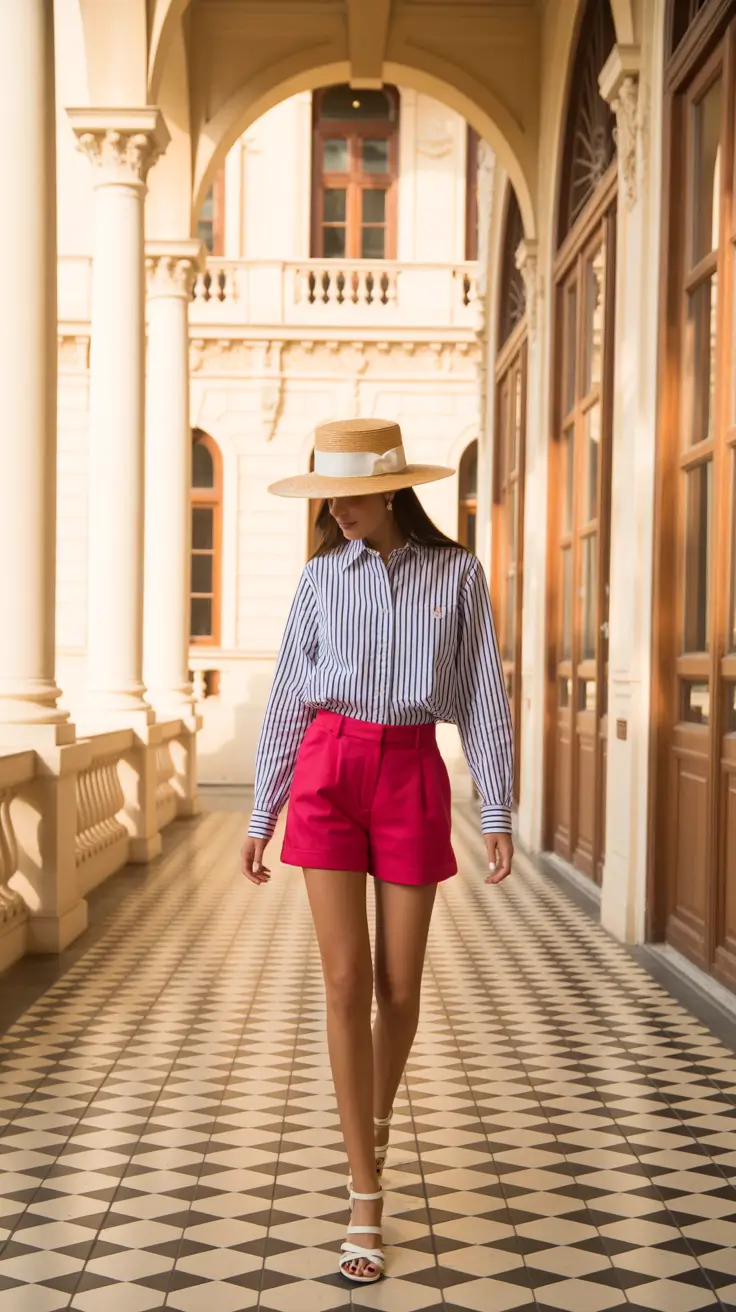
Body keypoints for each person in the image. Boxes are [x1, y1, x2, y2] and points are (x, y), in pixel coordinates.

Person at [240, 417, 514, 1284]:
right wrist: (262, 812)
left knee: (399, 986)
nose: (336, 513)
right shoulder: (320, 580)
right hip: (328, 765)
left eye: (348, 497)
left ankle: (374, 1118)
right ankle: (366, 1191)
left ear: (391, 488)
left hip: (410, 772)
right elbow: (288, 695)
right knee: (345, 983)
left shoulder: (458, 573)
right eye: (328, 499)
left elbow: (483, 697)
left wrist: (498, 807)